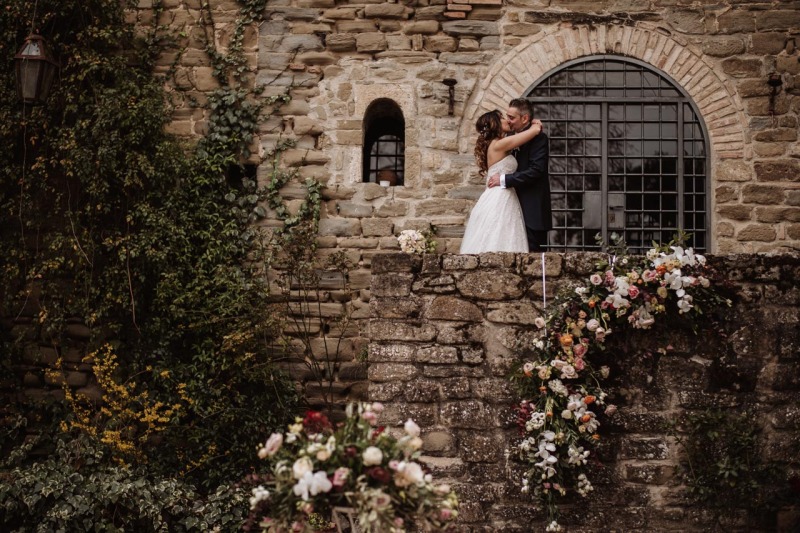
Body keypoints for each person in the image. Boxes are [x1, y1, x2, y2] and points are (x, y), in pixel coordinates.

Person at [460, 109, 542, 254]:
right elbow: (533, 132)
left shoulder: (498, 144)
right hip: (499, 197)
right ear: (495, 123)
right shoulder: (499, 145)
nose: (507, 120)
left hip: (503, 195)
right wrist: (535, 126)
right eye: (503, 118)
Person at [487, 98, 552, 252]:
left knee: (532, 260)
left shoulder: (539, 138)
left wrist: (504, 179)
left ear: (525, 118)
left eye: (512, 117)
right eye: (506, 116)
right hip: (509, 209)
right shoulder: (507, 140)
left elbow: (536, 170)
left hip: (531, 210)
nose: (508, 121)